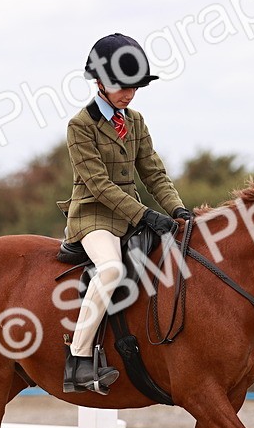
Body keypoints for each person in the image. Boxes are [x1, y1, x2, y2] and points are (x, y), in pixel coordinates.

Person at [57, 33, 194, 394]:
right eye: (122, 86)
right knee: (112, 269)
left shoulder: (134, 121)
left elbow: (152, 172)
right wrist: (146, 216)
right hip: (94, 216)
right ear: (100, 83)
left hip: (130, 214)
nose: (129, 94)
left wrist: (176, 208)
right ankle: (79, 358)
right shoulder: (80, 126)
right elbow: (99, 185)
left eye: (135, 87)